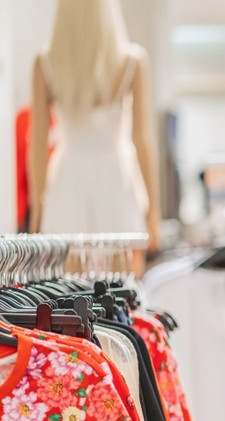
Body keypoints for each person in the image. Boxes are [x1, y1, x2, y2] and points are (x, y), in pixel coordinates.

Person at [29, 0, 160, 274]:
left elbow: (38, 147)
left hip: (67, 182)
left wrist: (37, 212)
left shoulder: (44, 64)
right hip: (116, 179)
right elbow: (143, 140)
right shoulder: (132, 62)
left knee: (64, 295)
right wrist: (154, 211)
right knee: (124, 292)